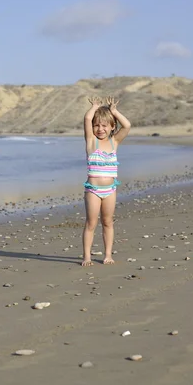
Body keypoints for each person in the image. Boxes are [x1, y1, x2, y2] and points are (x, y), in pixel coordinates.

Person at [81, 96, 131, 266]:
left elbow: (127, 126)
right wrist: (94, 107)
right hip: (93, 190)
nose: (100, 129)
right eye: (97, 125)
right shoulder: (91, 141)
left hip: (110, 189)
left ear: (112, 127)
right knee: (91, 223)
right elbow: (87, 118)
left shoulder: (114, 142)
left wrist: (115, 111)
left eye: (104, 125)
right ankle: (87, 256)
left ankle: (108, 254)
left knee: (108, 222)